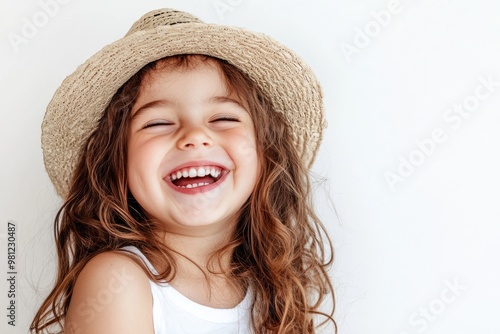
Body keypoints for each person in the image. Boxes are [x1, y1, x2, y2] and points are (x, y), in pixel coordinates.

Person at [31, 8, 335, 334]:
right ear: (115, 162)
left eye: (223, 118)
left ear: (266, 151)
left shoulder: (272, 293)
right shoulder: (118, 282)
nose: (194, 137)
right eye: (158, 123)